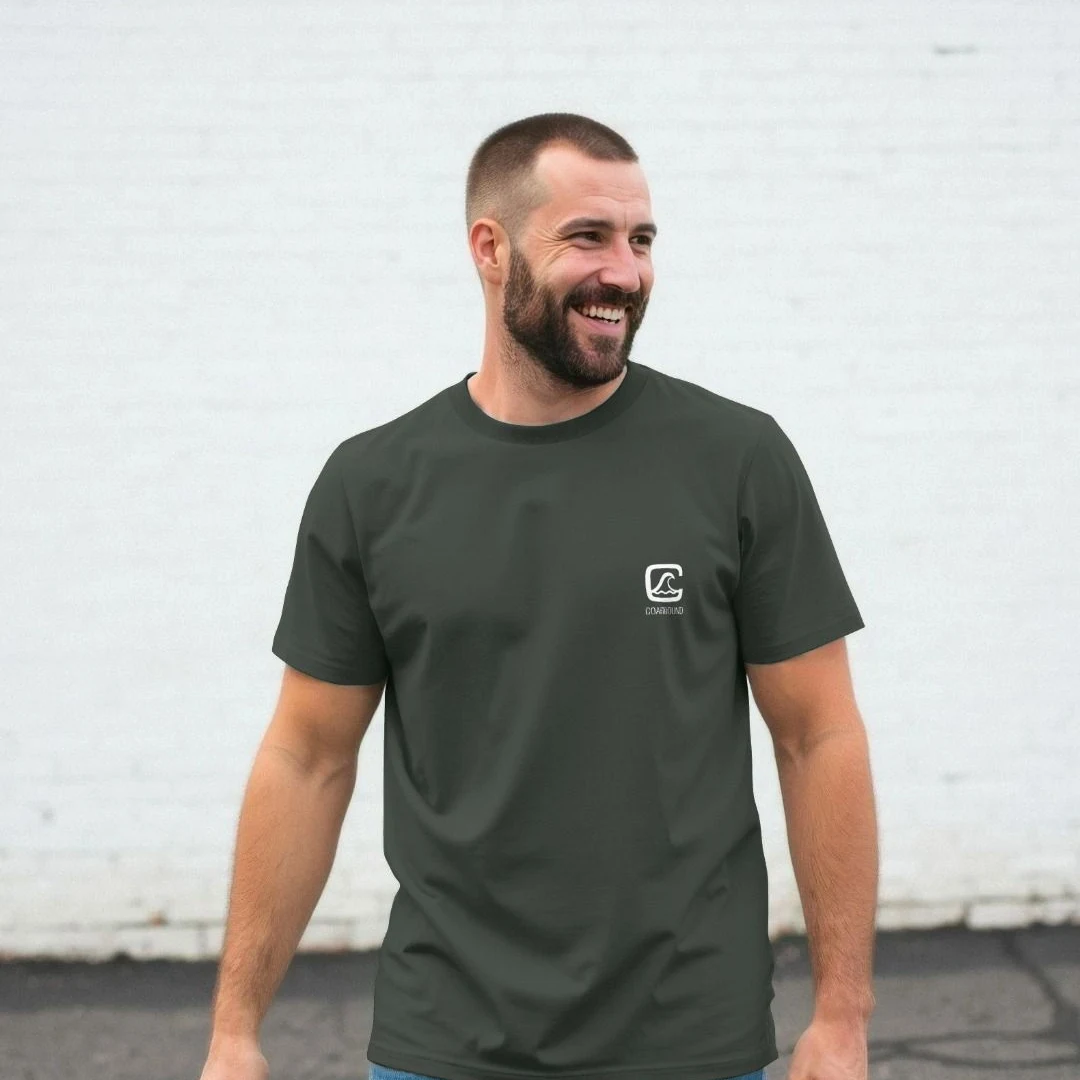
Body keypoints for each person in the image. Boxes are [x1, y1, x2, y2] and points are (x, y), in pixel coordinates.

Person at [199, 113, 878, 1080]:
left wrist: (842, 1015)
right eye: (588, 237)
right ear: (490, 248)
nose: (626, 273)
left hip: (690, 1040)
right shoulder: (374, 485)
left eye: (642, 240)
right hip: (446, 1043)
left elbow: (819, 736)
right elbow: (306, 757)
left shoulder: (735, 460)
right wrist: (234, 1031)